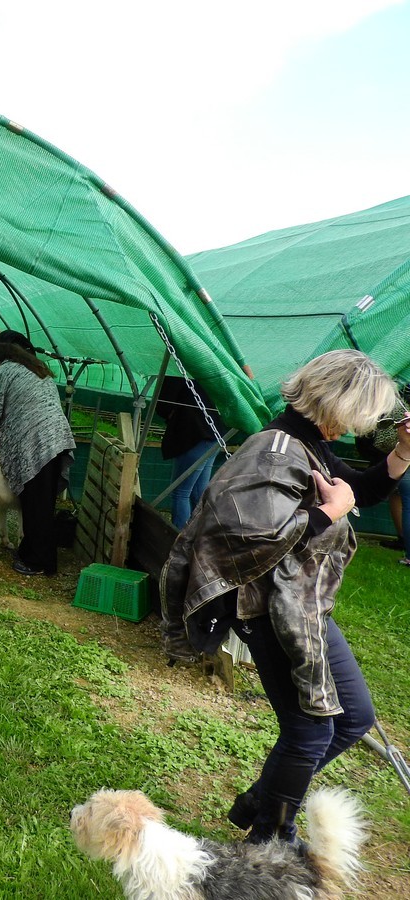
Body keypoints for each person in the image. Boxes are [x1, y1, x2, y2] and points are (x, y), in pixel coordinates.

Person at [162, 349, 410, 848]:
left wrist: (403, 451)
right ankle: (271, 839)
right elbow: (249, 542)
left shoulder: (308, 442)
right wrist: (329, 513)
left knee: (353, 717)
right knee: (312, 728)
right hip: (269, 608)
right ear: (336, 404)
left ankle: (263, 801)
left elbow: (359, 488)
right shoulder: (276, 449)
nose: (362, 427)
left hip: (301, 605)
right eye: (361, 415)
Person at [0, 340, 75, 575]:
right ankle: (29, 551)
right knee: (42, 502)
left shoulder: (1, 372)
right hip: (57, 439)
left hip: (34, 441)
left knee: (36, 504)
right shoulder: (37, 369)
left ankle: (39, 562)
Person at [154, 375, 224, 529]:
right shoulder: (201, 369)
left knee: (180, 492)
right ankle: (203, 536)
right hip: (214, 435)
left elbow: (163, 406)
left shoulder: (174, 371)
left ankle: (180, 537)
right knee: (199, 492)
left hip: (194, 435)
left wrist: (174, 415)